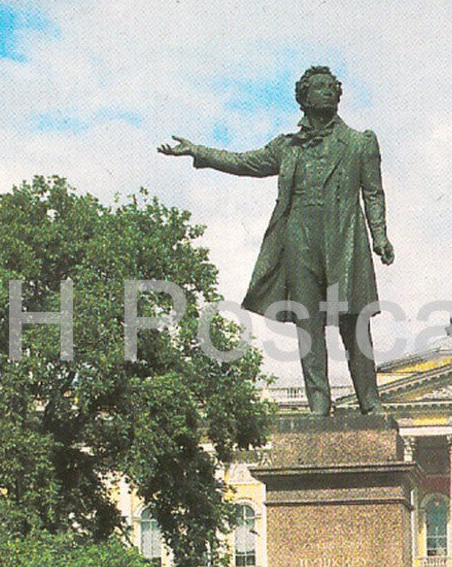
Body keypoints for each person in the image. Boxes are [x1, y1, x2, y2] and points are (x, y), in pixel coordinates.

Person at [158, 66, 395, 416]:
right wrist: (199, 152)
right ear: (304, 97)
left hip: (345, 241)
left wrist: (380, 236)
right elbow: (245, 162)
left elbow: (373, 193)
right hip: (299, 242)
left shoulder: (360, 142)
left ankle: (369, 401)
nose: (328, 92)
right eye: (320, 87)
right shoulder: (287, 147)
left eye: (332, 87)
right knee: (308, 326)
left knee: (354, 325)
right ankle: (318, 404)